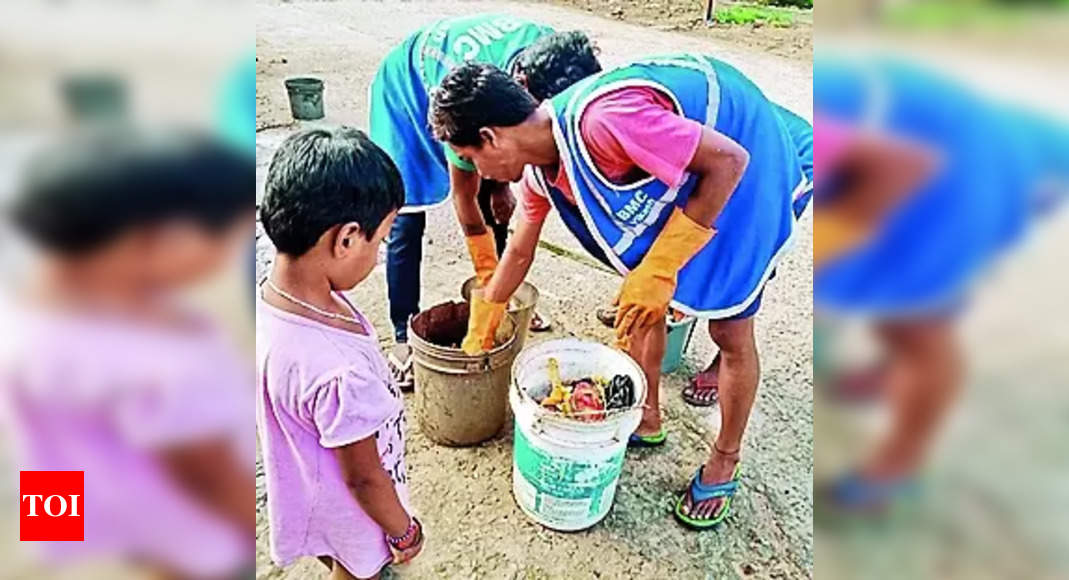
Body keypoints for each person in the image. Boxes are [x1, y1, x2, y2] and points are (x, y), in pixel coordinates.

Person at [428, 56, 812, 530]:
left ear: (490, 136)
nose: (476, 171)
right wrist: (483, 321)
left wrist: (662, 266)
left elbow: (730, 160)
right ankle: (646, 419)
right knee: (642, 303)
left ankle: (725, 458)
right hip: (705, 178)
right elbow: (519, 255)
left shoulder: (604, 121)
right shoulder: (542, 168)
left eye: (470, 158)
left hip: (750, 171)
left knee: (729, 330)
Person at [814, 57, 1069, 512]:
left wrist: (830, 243)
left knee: (918, 321)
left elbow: (903, 168)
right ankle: (894, 368)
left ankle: (898, 466)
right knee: (888, 287)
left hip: (957, 168)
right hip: (930, 142)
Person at [2, 128, 254, 578]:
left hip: (94, 541)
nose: (220, 261)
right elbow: (215, 478)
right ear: (158, 235)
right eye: (224, 243)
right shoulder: (167, 358)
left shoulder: (24, 327)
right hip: (197, 550)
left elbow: (42, 466)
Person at [368, 16, 601, 387]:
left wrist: (501, 189)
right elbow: (465, 199)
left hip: (486, 97)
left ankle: (501, 298)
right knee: (405, 214)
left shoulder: (558, 60)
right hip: (407, 86)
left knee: (499, 201)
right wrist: (486, 273)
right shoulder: (468, 110)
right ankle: (402, 335)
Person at [257, 127, 423, 580]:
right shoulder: (338, 372)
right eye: (383, 239)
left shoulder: (270, 303)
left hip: (310, 492)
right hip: (355, 514)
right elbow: (364, 478)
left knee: (334, 553)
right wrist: (404, 530)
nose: (381, 253)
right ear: (347, 238)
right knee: (355, 570)